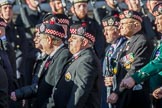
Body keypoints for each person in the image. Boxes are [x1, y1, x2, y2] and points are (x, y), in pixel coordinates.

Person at [120, 3, 162, 108]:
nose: (156, 21)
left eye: (159, 18)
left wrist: (134, 78)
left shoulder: (142, 41)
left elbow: (159, 62)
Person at [50, 22, 102, 108]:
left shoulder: (87, 60)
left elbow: (80, 92)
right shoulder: (79, 57)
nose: (69, 40)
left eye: (73, 38)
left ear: (84, 42)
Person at [109, 10, 154, 108]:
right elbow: (122, 68)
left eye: (123, 24)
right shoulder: (127, 43)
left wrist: (117, 92)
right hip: (126, 95)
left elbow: (134, 69)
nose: (119, 27)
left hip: (136, 97)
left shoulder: (142, 42)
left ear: (136, 25)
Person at [101, 13, 127, 108]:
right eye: (104, 30)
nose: (105, 33)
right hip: (110, 94)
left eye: (108, 30)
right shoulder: (109, 49)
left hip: (122, 95)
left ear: (118, 31)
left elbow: (129, 70)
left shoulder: (126, 47)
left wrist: (115, 80)